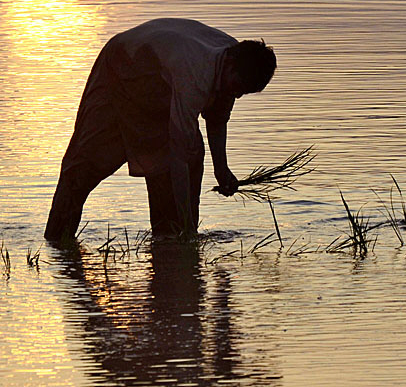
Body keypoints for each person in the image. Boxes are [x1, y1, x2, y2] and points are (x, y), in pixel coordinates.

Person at [44, 18, 276, 241]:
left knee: (191, 156)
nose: (237, 94)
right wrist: (187, 225)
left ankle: (171, 245)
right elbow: (179, 156)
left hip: (160, 85)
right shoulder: (194, 74)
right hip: (123, 64)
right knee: (85, 165)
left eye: (243, 92)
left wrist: (222, 169)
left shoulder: (235, 62)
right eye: (237, 88)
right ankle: (57, 242)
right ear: (230, 66)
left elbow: (217, 120)